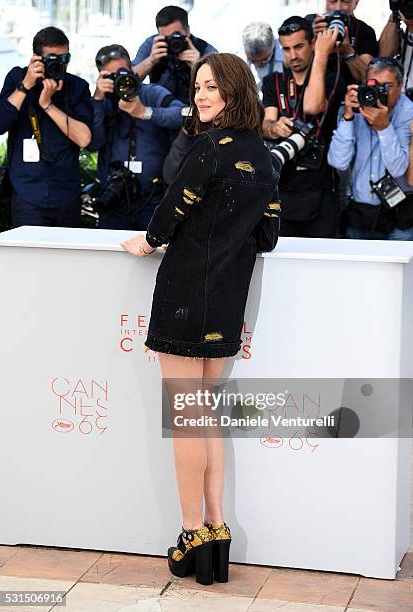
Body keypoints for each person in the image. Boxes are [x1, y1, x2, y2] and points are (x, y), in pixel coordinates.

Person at [121, 52, 280, 585]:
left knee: (187, 417)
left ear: (235, 91)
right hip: (228, 297)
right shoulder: (264, 156)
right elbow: (269, 237)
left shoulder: (210, 148)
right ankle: (217, 529)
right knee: (204, 414)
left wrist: (145, 242)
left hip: (187, 293)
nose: (201, 96)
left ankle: (191, 533)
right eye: (198, 87)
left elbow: (169, 213)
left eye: (212, 86)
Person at [0, 26, 92, 228]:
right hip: (27, 191)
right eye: (52, 59)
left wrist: (48, 105)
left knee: (67, 258)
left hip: (65, 191)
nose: (59, 64)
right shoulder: (17, 78)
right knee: (29, 258)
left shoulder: (77, 87)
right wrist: (26, 86)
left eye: (64, 59)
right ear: (36, 59)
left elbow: (84, 139)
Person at [262, 16, 346, 238]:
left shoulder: (331, 78)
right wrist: (276, 127)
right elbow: (266, 123)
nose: (293, 55)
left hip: (320, 187)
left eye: (299, 46)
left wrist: (321, 55)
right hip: (282, 186)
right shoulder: (274, 81)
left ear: (312, 43)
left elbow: (313, 105)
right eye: (286, 49)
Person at [89, 44, 185, 230]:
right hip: (113, 198)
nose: (119, 80)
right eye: (111, 76)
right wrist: (98, 99)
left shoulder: (151, 93)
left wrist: (146, 112)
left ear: (132, 69)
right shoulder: (102, 102)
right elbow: (93, 142)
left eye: (122, 73)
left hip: (152, 198)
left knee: (152, 255)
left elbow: (184, 115)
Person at [328, 57, 413, 239]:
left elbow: (398, 168)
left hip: (399, 215)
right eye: (375, 85)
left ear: (400, 85)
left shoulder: (409, 111)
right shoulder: (356, 105)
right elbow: (338, 162)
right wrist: (349, 117)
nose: (380, 92)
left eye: (388, 86)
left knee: (396, 267)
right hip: (360, 212)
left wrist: (384, 128)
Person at [132, 5, 217, 105]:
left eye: (176, 36)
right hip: (161, 110)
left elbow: (221, 85)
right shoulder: (153, 44)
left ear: (187, 31)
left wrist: (198, 66)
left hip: (197, 109)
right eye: (166, 38)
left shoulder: (204, 49)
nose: (172, 42)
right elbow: (129, 80)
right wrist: (151, 60)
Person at [309, 0, 378, 84]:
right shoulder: (312, 25)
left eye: (345, 2)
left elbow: (368, 79)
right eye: (332, 1)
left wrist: (348, 51)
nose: (338, 8)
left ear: (356, 3)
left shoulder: (364, 31)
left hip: (352, 93)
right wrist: (312, 41)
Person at [379, 3, 413, 94]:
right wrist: (394, 16)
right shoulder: (405, 14)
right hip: (400, 97)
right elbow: (384, 55)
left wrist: (411, 28)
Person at [241, 22, 284, 92]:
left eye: (264, 60)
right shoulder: (236, 60)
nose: (258, 65)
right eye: (252, 61)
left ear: (273, 45)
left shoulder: (288, 55)